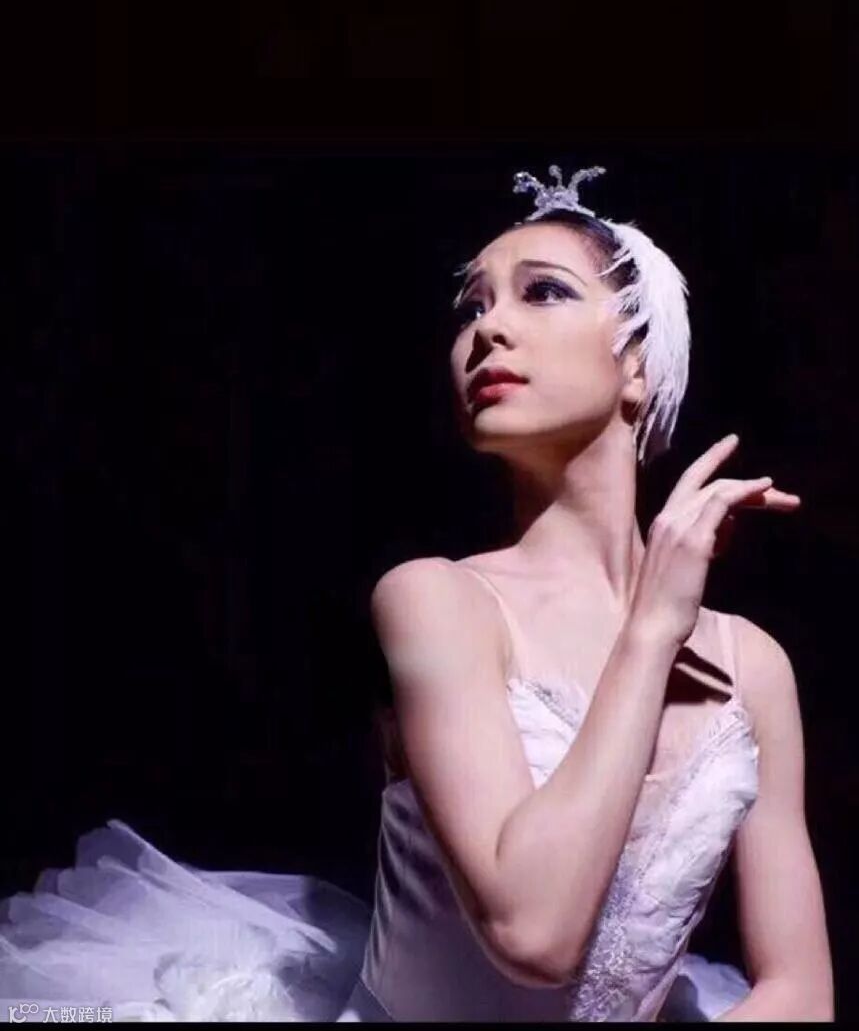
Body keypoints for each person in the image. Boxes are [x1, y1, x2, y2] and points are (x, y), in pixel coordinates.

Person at [0, 166, 833, 1022]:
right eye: (470, 307)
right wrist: (653, 627)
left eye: (541, 291)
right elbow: (532, 931)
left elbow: (800, 991)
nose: (487, 328)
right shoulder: (436, 601)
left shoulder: (751, 664)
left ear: (636, 364)